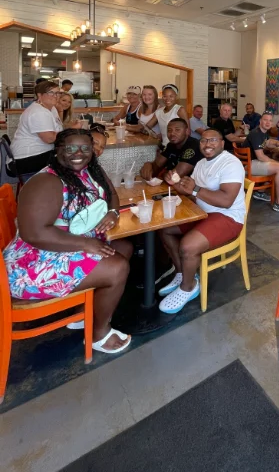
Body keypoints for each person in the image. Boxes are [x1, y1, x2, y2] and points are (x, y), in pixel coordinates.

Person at [3, 129, 133, 353]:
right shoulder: (47, 181)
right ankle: (98, 334)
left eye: (85, 148)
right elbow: (33, 233)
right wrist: (86, 244)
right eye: (70, 148)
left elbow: (111, 193)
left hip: (67, 244)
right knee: (117, 268)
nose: (78, 154)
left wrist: (113, 212)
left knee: (124, 247)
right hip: (33, 263)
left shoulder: (90, 170)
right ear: (58, 151)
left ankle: (82, 312)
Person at [156, 129, 246, 313]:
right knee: (164, 229)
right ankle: (182, 273)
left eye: (212, 140)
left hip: (228, 217)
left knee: (188, 246)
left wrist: (195, 188)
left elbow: (226, 201)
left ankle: (189, 287)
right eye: (204, 141)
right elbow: (193, 193)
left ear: (222, 143)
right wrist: (178, 185)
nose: (207, 144)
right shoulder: (201, 164)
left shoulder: (231, 164)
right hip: (202, 212)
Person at [11, 81, 63, 179]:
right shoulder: (38, 112)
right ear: (39, 95)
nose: (56, 96)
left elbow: (59, 128)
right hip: (27, 158)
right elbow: (49, 139)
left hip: (41, 153)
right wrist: (68, 133)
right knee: (65, 161)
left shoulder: (51, 108)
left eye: (58, 92)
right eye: (51, 93)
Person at [245, 112, 279, 212]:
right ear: (260, 121)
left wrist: (277, 143)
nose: (268, 122)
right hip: (248, 166)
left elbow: (268, 142)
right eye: (265, 120)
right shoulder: (256, 133)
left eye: (270, 120)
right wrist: (276, 163)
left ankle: (260, 192)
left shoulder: (263, 133)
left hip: (252, 162)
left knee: (278, 164)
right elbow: (261, 157)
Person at [140, 118, 200, 183]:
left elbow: (174, 178)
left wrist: (164, 174)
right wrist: (149, 165)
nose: (172, 134)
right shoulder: (171, 145)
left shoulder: (193, 146)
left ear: (186, 131)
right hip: (175, 187)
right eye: (169, 130)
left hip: (193, 189)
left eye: (177, 130)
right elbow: (155, 168)